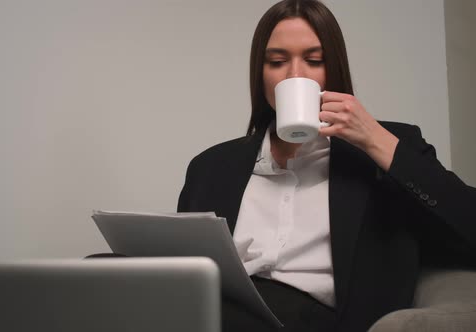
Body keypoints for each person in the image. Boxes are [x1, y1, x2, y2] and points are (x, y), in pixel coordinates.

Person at [176, 0, 476, 331]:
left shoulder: (383, 149)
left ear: (332, 70)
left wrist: (375, 139)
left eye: (313, 60)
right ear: (260, 76)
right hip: (223, 310)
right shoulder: (211, 167)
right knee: (113, 270)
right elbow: (190, 269)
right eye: (277, 61)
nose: (294, 74)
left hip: (323, 319)